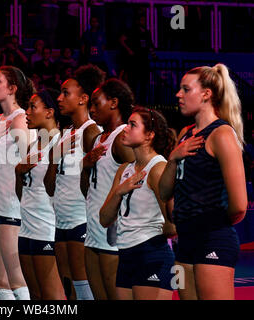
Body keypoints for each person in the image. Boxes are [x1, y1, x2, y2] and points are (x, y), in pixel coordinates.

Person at [158, 64, 247, 300]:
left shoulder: (222, 134)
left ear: (207, 94)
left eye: (186, 89)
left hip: (213, 238)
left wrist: (210, 224)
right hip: (185, 241)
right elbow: (165, 192)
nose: (178, 94)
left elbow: (239, 205)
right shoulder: (185, 134)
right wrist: (173, 158)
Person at [100, 106, 177, 300]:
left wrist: (147, 233)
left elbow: (172, 225)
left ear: (149, 135)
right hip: (126, 255)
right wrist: (119, 191)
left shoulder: (158, 169)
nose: (125, 128)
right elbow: (104, 219)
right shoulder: (125, 169)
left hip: (152, 254)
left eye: (132, 125)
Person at [44, 64, 105, 300]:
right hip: (61, 220)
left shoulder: (92, 132)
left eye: (65, 93)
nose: (59, 98)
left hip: (82, 220)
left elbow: (96, 182)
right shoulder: (65, 133)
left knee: (85, 288)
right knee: (70, 289)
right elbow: (50, 187)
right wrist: (53, 158)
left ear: (83, 99)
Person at [0, 65, 35, 300]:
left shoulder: (21, 118)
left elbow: (27, 165)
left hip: (12, 208)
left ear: (12, 88)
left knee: (16, 280)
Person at [81, 79, 136, 300]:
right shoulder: (97, 139)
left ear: (113, 103)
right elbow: (87, 190)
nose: (91, 109)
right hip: (93, 231)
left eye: (96, 103)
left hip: (112, 235)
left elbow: (137, 181)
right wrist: (85, 167)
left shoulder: (123, 137)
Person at [15, 89, 65, 300]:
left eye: (32, 107)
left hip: (47, 229)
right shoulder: (35, 143)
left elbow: (59, 190)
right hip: (26, 229)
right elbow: (22, 192)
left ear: (49, 112)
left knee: (52, 297)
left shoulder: (61, 143)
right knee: (34, 296)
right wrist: (19, 172)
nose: (26, 112)